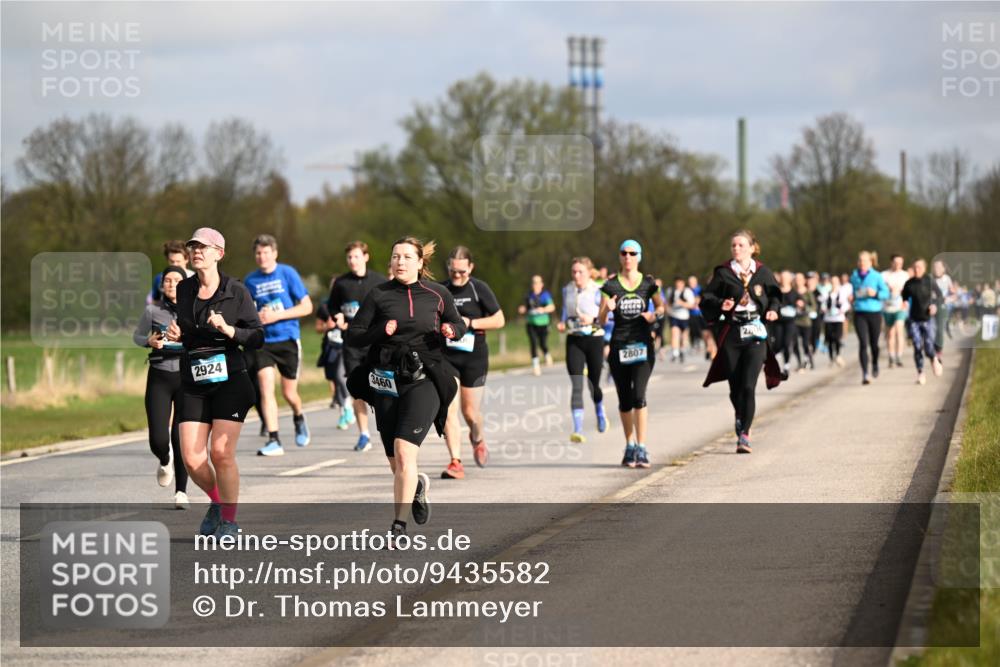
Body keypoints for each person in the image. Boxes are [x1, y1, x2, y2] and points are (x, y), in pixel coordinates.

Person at [345, 236, 466, 541]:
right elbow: (354, 335)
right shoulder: (379, 294)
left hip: (424, 379)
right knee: (395, 459)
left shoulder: (437, 294)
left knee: (403, 451)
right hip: (386, 379)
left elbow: (458, 323)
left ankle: (398, 525)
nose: (400, 262)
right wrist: (378, 331)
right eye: (395, 256)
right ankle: (417, 487)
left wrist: (452, 329)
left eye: (406, 257)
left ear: (420, 262)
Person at [164, 228, 263, 538]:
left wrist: (230, 329)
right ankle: (218, 504)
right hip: (194, 377)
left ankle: (230, 522)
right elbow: (189, 330)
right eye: (193, 246)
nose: (196, 252)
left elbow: (257, 337)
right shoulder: (184, 290)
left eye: (203, 247)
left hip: (231, 379)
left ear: (219, 253)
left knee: (221, 453)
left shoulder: (237, 291)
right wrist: (178, 334)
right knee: (192, 459)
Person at [701, 230, 784, 454]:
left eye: (740, 245)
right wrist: (721, 304)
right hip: (733, 332)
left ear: (752, 248)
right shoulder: (723, 273)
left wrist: (774, 310)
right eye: (733, 246)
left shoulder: (763, 272)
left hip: (755, 331)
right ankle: (740, 415)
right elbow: (706, 299)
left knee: (748, 385)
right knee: (735, 387)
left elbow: (775, 295)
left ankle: (744, 434)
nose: (736, 249)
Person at [243, 234, 313, 456]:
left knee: (289, 393)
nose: (262, 257)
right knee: (265, 388)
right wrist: (256, 317)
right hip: (263, 341)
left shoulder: (287, 273)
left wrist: (277, 315)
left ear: (275, 253)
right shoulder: (250, 281)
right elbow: (246, 312)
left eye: (266, 252)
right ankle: (274, 439)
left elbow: (306, 307)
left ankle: (298, 416)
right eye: (258, 253)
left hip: (287, 339)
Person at [598, 240, 665, 468]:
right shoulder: (610, 286)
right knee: (625, 400)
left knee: (639, 397)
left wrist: (654, 315)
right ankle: (629, 445)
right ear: (619, 257)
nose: (628, 256)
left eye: (632, 253)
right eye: (624, 253)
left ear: (639, 256)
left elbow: (661, 307)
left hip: (643, 346)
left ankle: (642, 447)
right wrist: (608, 308)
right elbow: (600, 320)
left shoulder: (648, 284)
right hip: (619, 346)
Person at [440, 246, 505, 478]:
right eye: (453, 271)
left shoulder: (479, 288)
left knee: (470, 412)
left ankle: (477, 438)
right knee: (449, 408)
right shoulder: (441, 289)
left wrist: (471, 322)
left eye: (461, 272)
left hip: (474, 356)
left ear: (470, 268)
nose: (457, 276)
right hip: (447, 357)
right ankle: (455, 462)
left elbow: (499, 320)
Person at [133, 266, 190, 509]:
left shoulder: (195, 309)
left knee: (181, 437)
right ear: (162, 285)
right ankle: (164, 459)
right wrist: (148, 341)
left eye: (177, 280)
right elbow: (136, 336)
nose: (171, 284)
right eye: (167, 280)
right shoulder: (152, 310)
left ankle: (181, 492)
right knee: (158, 438)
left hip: (187, 378)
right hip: (159, 376)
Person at [328, 242, 387, 451]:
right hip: (351, 344)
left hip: (375, 344)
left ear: (366, 257)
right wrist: (338, 316)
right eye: (349, 258)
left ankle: (388, 427)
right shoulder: (341, 283)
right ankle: (364, 434)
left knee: (382, 388)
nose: (352, 261)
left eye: (356, 256)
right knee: (357, 390)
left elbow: (389, 307)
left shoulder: (379, 281)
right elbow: (332, 306)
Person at [557, 256, 608, 443]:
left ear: (588, 273)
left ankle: (600, 411)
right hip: (574, 340)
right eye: (574, 272)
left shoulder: (598, 290)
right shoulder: (567, 289)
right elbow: (565, 311)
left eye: (580, 272)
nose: (577, 275)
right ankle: (577, 429)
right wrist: (562, 323)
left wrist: (592, 320)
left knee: (593, 384)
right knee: (577, 385)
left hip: (594, 339)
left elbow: (607, 318)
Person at [849, 250, 890, 385]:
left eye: (865, 261)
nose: (862, 263)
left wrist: (876, 293)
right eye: (860, 260)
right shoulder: (854, 276)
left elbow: (886, 293)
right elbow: (853, 292)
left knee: (874, 344)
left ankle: (875, 363)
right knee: (863, 343)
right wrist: (852, 297)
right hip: (860, 313)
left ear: (870, 262)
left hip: (874, 313)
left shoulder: (876, 276)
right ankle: (865, 374)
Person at [902, 259, 944, 385]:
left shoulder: (929, 281)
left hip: (928, 318)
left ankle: (934, 358)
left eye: (919, 267)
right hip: (914, 319)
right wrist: (904, 302)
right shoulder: (909, 283)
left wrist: (935, 306)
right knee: (917, 346)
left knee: (928, 345)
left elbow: (940, 296)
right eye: (914, 267)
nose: (916, 269)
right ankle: (920, 372)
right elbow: (904, 296)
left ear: (924, 268)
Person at [518, 276, 555, 376]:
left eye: (537, 283)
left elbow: (552, 307)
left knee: (542, 343)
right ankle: (536, 366)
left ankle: (547, 354)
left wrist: (543, 310)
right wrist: (522, 309)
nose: (535, 285)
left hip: (543, 323)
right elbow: (526, 307)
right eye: (534, 283)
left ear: (542, 284)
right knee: (533, 343)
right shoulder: (529, 295)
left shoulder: (545, 295)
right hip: (531, 323)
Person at [881, 254, 910, 368]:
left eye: (900, 263)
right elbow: (880, 289)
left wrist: (905, 299)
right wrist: (888, 288)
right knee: (890, 334)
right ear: (891, 262)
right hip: (888, 307)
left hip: (900, 307)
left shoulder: (905, 275)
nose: (898, 265)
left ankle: (899, 356)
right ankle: (891, 356)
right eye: (896, 262)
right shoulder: (884, 275)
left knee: (899, 329)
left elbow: (909, 291)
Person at [774, 271, 802, 374]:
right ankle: (774, 363)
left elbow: (801, 302)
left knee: (786, 343)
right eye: (782, 277)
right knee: (777, 344)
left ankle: (786, 366)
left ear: (790, 279)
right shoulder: (776, 291)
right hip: (778, 321)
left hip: (790, 322)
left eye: (786, 277)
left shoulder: (794, 292)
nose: (783, 279)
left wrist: (800, 304)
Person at [821, 275, 850, 367]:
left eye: (836, 282)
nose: (834, 284)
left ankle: (837, 355)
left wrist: (843, 309)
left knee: (837, 338)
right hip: (828, 319)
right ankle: (831, 358)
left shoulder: (842, 293)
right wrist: (824, 309)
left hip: (838, 319)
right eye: (832, 282)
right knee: (829, 339)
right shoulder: (826, 293)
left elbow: (847, 305)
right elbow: (823, 304)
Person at [667, 277, 696, 363]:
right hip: (674, 315)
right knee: (674, 333)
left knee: (684, 336)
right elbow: (667, 303)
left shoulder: (687, 292)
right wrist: (668, 310)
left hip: (684, 316)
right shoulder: (671, 291)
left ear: (683, 283)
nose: (678, 285)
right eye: (677, 283)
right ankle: (675, 353)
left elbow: (692, 305)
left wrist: (682, 303)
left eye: (680, 283)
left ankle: (682, 351)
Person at [932, 260, 955, 363]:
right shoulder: (930, 279)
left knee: (940, 330)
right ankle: (931, 349)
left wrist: (949, 299)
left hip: (942, 306)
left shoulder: (947, 279)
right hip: (931, 306)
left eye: (938, 267)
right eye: (935, 267)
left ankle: (938, 353)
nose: (936, 269)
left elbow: (954, 294)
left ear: (943, 269)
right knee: (931, 329)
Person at [793, 272, 817, 371]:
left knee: (805, 343)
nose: (798, 282)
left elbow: (814, 307)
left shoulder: (808, 293)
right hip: (795, 321)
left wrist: (804, 307)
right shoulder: (793, 292)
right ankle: (799, 362)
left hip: (806, 322)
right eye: (796, 279)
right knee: (795, 343)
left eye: (800, 279)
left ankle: (809, 360)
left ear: (804, 281)